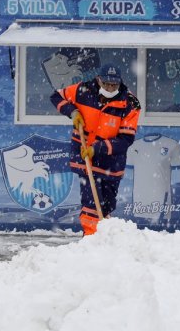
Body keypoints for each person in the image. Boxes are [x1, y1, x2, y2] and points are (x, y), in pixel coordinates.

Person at [50, 64, 141, 235]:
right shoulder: (83, 90)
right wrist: (73, 112)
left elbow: (125, 139)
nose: (110, 88)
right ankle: (91, 240)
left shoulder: (130, 103)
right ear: (99, 79)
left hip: (111, 162)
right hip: (85, 156)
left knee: (106, 205)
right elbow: (56, 96)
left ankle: (104, 239)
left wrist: (97, 148)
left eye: (114, 85)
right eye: (106, 84)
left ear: (120, 82)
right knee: (91, 204)